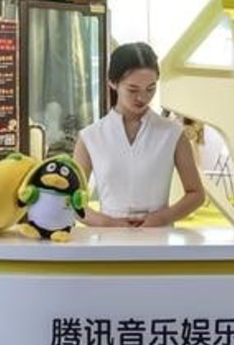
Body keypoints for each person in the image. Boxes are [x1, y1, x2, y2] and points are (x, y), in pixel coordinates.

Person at [74, 42, 204, 227]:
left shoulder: (173, 134)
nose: (142, 97)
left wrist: (161, 218)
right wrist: (108, 222)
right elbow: (72, 201)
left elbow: (196, 194)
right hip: (108, 237)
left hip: (159, 235)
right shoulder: (90, 137)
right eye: (132, 89)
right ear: (113, 83)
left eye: (150, 88)